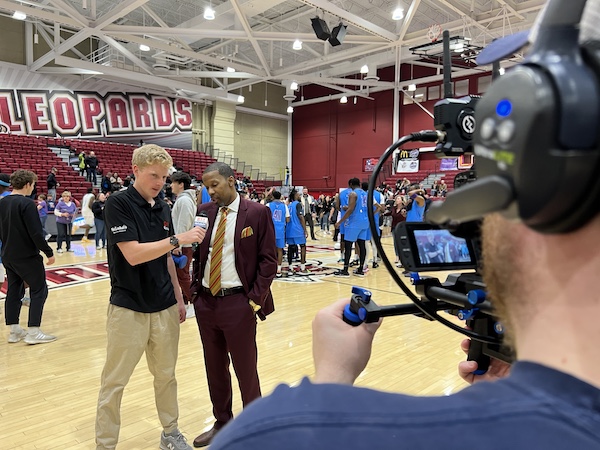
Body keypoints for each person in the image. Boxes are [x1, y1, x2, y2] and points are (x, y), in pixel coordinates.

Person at [95, 144, 206, 450]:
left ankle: (170, 433)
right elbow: (132, 254)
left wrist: (179, 296)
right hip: (128, 306)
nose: (160, 182)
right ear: (136, 171)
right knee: (115, 381)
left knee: (166, 375)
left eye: (164, 177)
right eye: (154, 175)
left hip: (164, 305)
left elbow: (166, 257)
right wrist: (178, 239)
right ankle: (105, 444)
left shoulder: (163, 207)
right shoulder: (118, 203)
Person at [190, 161, 277, 447]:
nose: (211, 191)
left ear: (230, 181)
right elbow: (199, 254)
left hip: (238, 303)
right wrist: (194, 290)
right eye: (207, 187)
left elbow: (268, 261)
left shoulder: (257, 212)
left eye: (214, 185)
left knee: (245, 369)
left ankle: (255, 426)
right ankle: (222, 423)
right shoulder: (204, 212)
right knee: (214, 368)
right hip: (206, 302)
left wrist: (254, 300)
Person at [0, 170, 56, 345]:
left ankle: (14, 331)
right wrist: (48, 252)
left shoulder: (2, 202)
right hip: (26, 256)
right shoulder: (27, 204)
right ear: (27, 184)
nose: (33, 188)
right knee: (39, 290)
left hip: (8, 255)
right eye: (33, 184)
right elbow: (36, 233)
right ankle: (34, 331)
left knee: (13, 291)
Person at [170, 170, 197, 319]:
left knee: (183, 276)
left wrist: (177, 245)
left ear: (180, 184)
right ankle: (186, 302)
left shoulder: (184, 201)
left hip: (183, 245)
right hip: (183, 243)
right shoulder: (183, 199)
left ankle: (194, 303)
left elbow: (183, 224)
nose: (170, 185)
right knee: (181, 275)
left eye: (173, 183)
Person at [334, 178, 369, 278]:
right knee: (362, 245)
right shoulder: (365, 194)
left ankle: (345, 270)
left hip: (354, 222)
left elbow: (350, 210)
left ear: (350, 184)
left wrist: (340, 222)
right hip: (364, 221)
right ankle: (361, 269)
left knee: (348, 245)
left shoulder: (353, 194)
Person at [285, 189, 309, 275]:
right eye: (298, 195)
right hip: (297, 229)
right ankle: (302, 268)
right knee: (303, 246)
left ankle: (290, 267)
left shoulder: (289, 206)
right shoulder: (298, 204)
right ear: (295, 196)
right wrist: (305, 229)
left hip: (289, 230)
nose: (299, 196)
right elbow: (301, 217)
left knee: (290, 248)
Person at [268, 190, 290, 277]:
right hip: (280, 231)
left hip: (270, 231)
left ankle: (270, 268)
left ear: (272, 197)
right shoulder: (284, 206)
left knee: (270, 250)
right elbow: (288, 219)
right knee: (280, 250)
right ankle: (279, 269)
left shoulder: (268, 205)